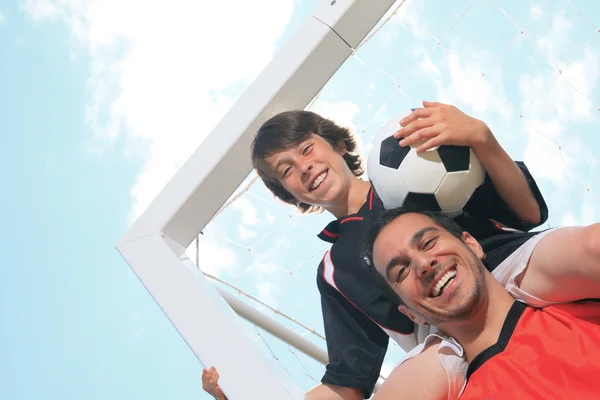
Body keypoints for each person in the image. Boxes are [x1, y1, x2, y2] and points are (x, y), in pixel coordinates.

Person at [202, 101, 600, 400]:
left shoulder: (413, 159)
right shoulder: (334, 270)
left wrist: (480, 135)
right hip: (443, 336)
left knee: (590, 247)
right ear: (288, 195)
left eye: (306, 149)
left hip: (506, 265)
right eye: (286, 170)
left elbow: (528, 212)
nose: (303, 167)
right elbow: (347, 380)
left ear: (339, 144)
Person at [361, 206, 600, 399]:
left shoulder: (583, 299)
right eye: (402, 271)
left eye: (428, 243)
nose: (423, 264)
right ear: (412, 315)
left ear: (472, 244)